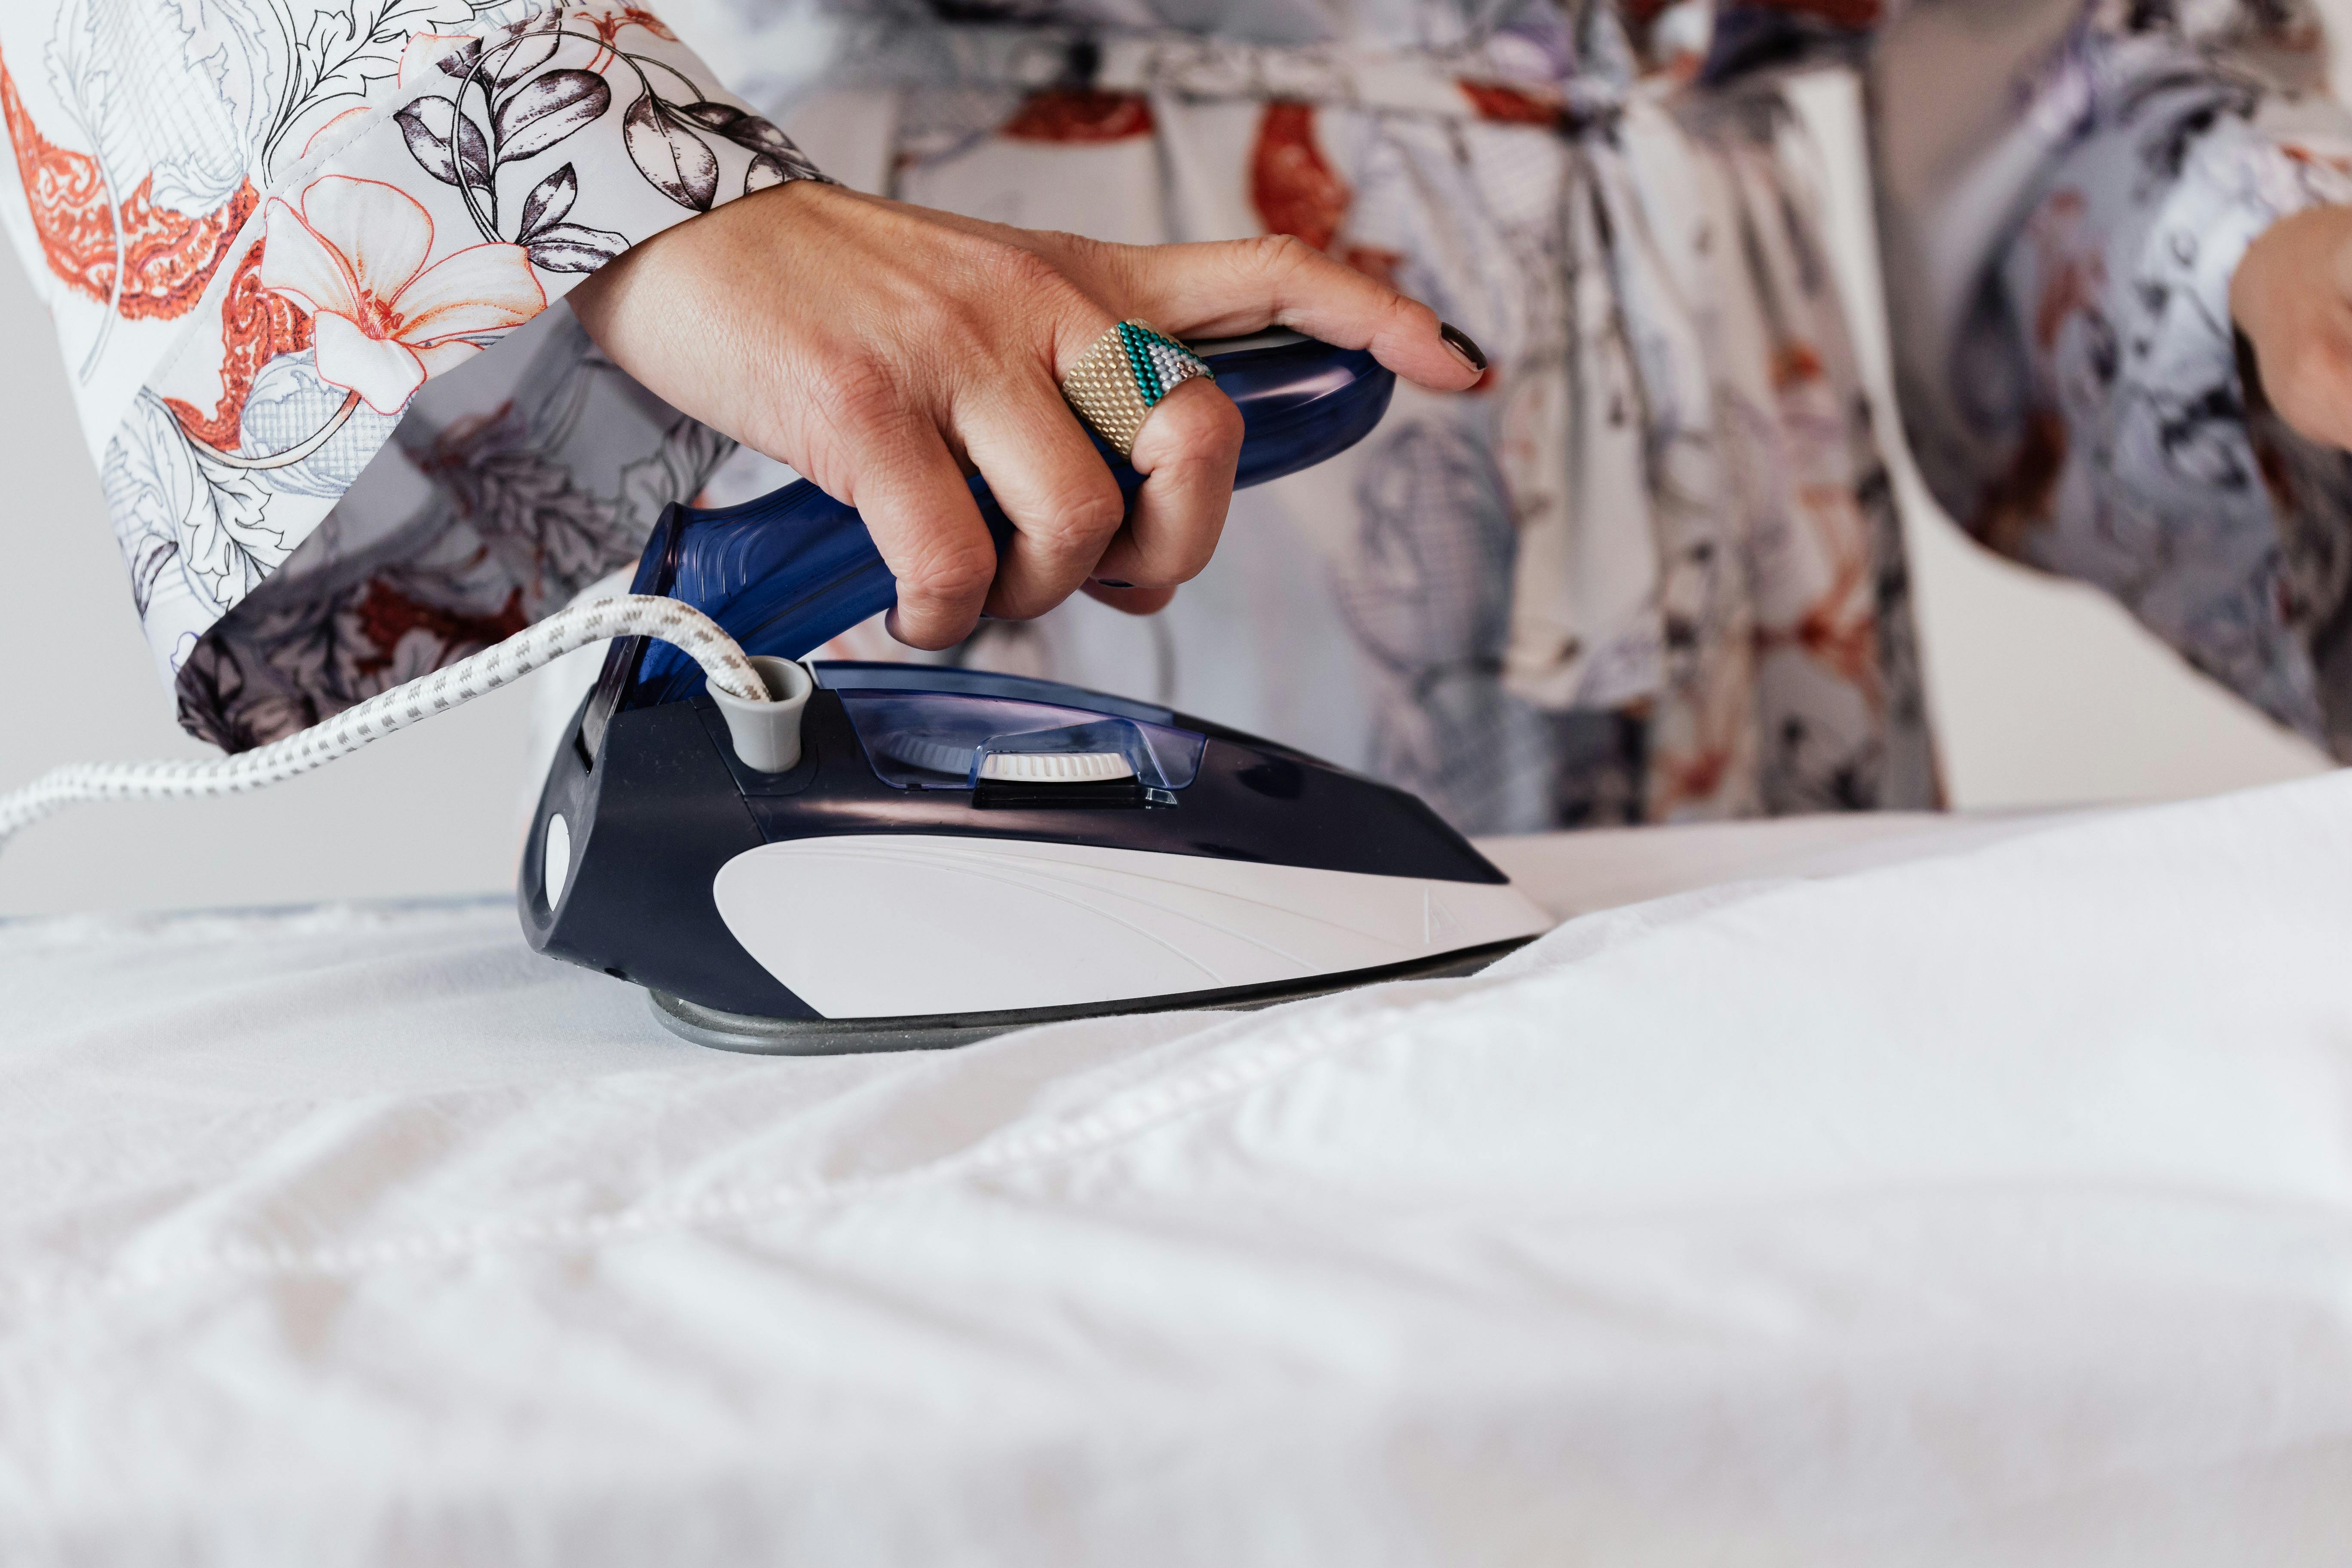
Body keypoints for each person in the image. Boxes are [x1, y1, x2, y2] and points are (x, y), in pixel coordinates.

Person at [4, 0, 2349, 836]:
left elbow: (2036, 84)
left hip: (1737, 538)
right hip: (991, 395)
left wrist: (2249, 249)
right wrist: (615, 190)